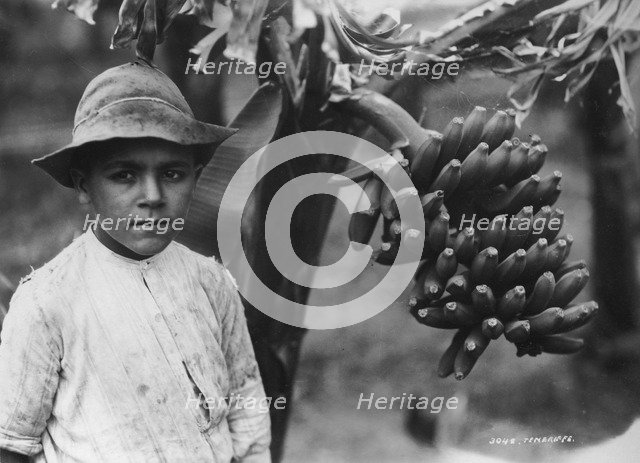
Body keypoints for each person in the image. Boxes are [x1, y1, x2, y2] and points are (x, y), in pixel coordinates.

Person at [0, 61, 271, 463]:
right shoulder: (46, 302)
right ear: (84, 186)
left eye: (173, 174)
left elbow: (245, 401)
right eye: (124, 175)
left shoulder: (211, 282)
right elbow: (13, 443)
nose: (152, 196)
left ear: (197, 178)